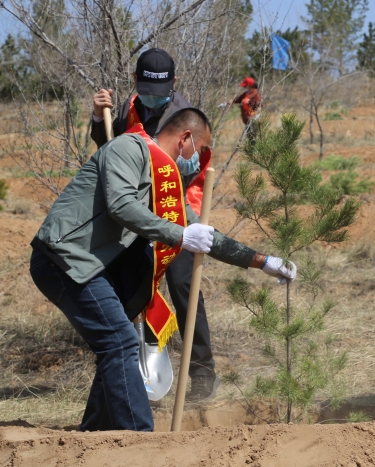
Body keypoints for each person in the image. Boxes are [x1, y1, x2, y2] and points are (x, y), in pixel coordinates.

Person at [29, 108, 297, 431]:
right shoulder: (128, 149)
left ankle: (92, 437)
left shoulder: (166, 183)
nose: (199, 161)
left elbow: (207, 237)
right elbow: (121, 205)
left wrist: (263, 262)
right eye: (200, 150)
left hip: (86, 267)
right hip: (61, 257)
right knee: (121, 342)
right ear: (185, 139)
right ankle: (141, 440)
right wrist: (180, 234)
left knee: (115, 345)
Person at [92, 48, 219, 401]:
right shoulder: (128, 108)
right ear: (136, 81)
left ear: (173, 84)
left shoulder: (184, 116)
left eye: (161, 90)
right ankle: (129, 378)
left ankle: (203, 372)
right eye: (147, 88)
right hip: (134, 213)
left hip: (175, 211)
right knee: (129, 289)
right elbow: (111, 150)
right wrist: (96, 114)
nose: (154, 96)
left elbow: (196, 163)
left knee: (183, 286)